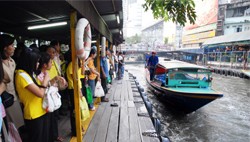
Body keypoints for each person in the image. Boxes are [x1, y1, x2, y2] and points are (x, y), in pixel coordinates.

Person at [15, 48, 50, 142]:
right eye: (36, 62)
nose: (38, 64)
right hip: (33, 114)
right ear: (29, 61)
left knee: (44, 138)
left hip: (41, 110)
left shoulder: (30, 73)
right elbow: (41, 93)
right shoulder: (22, 75)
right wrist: (46, 79)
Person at [0, 34, 25, 132]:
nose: (14, 48)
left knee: (18, 126)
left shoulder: (12, 61)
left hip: (15, 98)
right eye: (12, 45)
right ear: (5, 47)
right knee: (10, 128)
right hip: (5, 100)